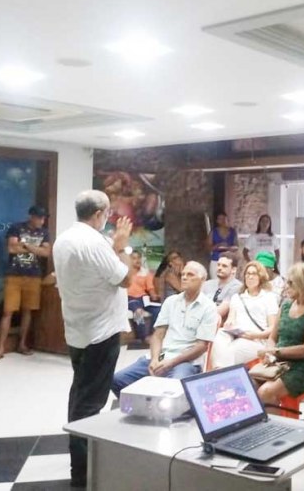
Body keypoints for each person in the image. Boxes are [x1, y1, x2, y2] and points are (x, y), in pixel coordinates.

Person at [52, 190, 133, 488]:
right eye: (107, 213)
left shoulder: (64, 239)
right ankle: (83, 471)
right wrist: (121, 247)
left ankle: (81, 460)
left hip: (78, 328)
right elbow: (125, 278)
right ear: (99, 214)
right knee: (90, 403)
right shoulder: (94, 242)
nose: (109, 219)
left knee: (81, 393)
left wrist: (112, 246)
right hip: (100, 332)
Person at [111, 261, 218, 396]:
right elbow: (158, 335)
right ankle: (145, 406)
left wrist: (171, 363)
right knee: (117, 380)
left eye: (190, 275)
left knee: (173, 390)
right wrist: (155, 359)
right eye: (183, 274)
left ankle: (160, 405)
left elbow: (201, 346)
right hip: (162, 356)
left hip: (186, 361)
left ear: (202, 280)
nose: (184, 277)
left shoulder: (208, 307)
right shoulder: (171, 301)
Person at [256, 263, 304, 405]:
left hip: (302, 368)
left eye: (290, 283)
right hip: (278, 362)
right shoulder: (285, 305)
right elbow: (272, 337)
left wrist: (275, 351)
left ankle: (275, 420)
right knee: (247, 385)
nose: (285, 286)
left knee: (265, 392)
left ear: (303, 284)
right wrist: (269, 353)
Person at [0, 205, 51, 361]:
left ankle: (22, 344)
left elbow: (46, 252)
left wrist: (25, 245)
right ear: (31, 216)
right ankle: (0, 348)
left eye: (44, 218)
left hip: (34, 275)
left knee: (28, 311)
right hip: (14, 274)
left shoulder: (44, 232)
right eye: (39, 217)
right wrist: (35, 249)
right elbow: (12, 249)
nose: (42, 221)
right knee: (8, 311)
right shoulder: (16, 228)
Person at [210, 261, 278, 369]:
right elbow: (231, 319)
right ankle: (220, 370)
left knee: (232, 350)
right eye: (248, 274)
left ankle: (220, 372)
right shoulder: (237, 297)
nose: (250, 277)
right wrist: (229, 323)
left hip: (257, 340)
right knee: (220, 335)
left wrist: (255, 335)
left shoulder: (269, 298)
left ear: (260, 277)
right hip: (238, 335)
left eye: (254, 274)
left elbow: (273, 327)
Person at [127, 250, 162, 342]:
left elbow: (150, 288)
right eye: (134, 258)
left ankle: (151, 334)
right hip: (129, 298)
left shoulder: (145, 273)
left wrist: (154, 296)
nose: (137, 260)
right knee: (138, 311)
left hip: (143, 298)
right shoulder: (126, 272)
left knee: (158, 310)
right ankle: (141, 337)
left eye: (139, 258)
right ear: (129, 260)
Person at [201, 253, 242, 320]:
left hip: (218, 321)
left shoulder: (237, 287)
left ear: (233, 270)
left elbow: (222, 310)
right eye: (218, 265)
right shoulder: (207, 284)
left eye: (224, 266)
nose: (220, 268)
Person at [206, 211, 238, 278]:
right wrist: (218, 245)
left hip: (229, 261)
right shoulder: (213, 232)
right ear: (217, 221)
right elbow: (208, 247)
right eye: (220, 219)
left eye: (224, 218)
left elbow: (236, 246)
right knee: (215, 280)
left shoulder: (232, 231)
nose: (222, 221)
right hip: (216, 260)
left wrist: (228, 248)